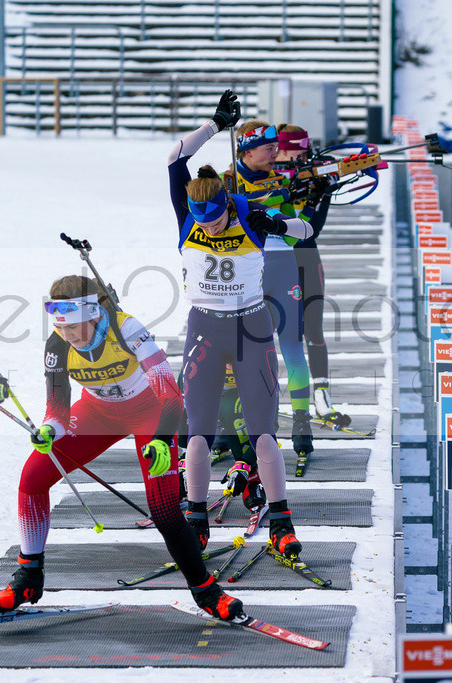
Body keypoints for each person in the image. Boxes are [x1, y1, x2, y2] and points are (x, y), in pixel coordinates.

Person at [0, 275, 242, 621]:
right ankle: (29, 576)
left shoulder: (127, 330)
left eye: (75, 326)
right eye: (61, 327)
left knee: (164, 508)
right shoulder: (56, 344)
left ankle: (205, 589)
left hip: (150, 415)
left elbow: (170, 396)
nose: (69, 335)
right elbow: (58, 410)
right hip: (97, 414)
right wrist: (49, 429)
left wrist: (163, 441)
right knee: (33, 476)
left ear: (94, 315)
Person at [168, 91, 312, 559]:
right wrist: (214, 126)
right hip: (205, 329)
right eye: (201, 222)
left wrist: (286, 219)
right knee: (198, 433)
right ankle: (195, 515)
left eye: (217, 219)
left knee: (264, 433)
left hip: (251, 329)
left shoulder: (248, 213)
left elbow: (307, 234)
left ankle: (281, 521)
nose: (208, 228)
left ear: (229, 206)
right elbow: (177, 158)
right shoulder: (190, 210)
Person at [233, 120, 316, 458]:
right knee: (243, 349)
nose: (276, 154)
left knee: (292, 346)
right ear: (248, 150)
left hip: (282, 266)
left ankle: (301, 421)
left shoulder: (282, 181)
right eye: (268, 149)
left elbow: (303, 232)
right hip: (246, 269)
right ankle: (235, 422)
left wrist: (290, 215)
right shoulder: (227, 182)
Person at [274, 125, 352, 428]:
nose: (299, 159)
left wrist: (323, 192)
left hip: (305, 257)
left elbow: (312, 229)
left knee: (314, 330)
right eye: (294, 153)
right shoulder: (263, 178)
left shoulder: (312, 175)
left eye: (303, 154)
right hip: (272, 260)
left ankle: (321, 398)